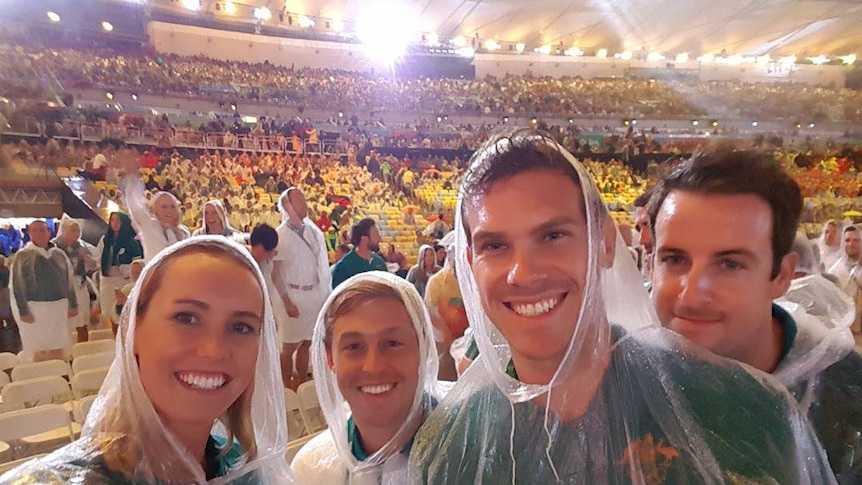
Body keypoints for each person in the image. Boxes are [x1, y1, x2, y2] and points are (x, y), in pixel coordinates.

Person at [409, 130, 834, 483]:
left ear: (606, 243)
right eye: (495, 246)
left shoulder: (743, 411)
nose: (522, 273)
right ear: (470, 265)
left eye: (553, 236)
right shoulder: (450, 445)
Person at [0, 237, 294, 483]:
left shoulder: (246, 471)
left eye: (241, 326)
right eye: (187, 318)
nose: (213, 350)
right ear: (133, 332)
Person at [648, 149, 862, 482]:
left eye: (730, 264)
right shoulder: (621, 377)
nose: (691, 294)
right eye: (675, 259)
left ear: (781, 276)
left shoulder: (847, 397)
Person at [291, 272, 439, 483]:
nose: (373, 367)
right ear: (330, 358)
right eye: (354, 347)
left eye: (392, 343)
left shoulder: (472, 448)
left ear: (423, 347)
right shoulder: (311, 471)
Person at [271, 188, 331, 389]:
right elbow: (275, 272)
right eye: (299, 201)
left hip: (313, 294)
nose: (305, 204)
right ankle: (285, 388)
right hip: (292, 296)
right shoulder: (280, 235)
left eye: (304, 199)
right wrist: (287, 301)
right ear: (288, 206)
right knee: (288, 346)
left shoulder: (312, 231)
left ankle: (301, 384)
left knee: (307, 342)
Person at [8, 220, 78, 362]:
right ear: (30, 233)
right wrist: (23, 311)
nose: (39, 233)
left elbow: (69, 280)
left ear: (49, 232)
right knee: (38, 350)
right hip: (35, 309)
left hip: (59, 308)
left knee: (59, 348)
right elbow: (17, 285)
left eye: (42, 230)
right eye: (35, 230)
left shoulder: (59, 254)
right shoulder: (23, 256)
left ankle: (61, 377)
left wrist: (73, 304)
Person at [120, 158, 190, 261]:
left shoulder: (184, 231)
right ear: (154, 209)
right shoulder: (149, 226)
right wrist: (132, 177)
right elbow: (133, 203)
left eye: (172, 206)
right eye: (164, 207)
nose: (168, 210)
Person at [424, 233, 468, 381]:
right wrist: (445, 333)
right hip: (443, 342)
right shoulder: (437, 282)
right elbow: (431, 310)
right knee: (446, 377)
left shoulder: (470, 281)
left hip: (465, 342)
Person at [53, 219, 98, 342]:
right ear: (64, 231)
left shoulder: (82, 246)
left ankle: (82, 348)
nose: (77, 234)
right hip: (62, 288)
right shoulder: (54, 246)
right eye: (73, 230)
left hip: (80, 285)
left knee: (82, 322)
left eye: (78, 231)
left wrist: (85, 257)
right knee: (64, 322)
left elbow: (94, 265)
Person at [96, 212, 144, 327]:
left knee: (122, 312)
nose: (115, 223)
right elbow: (98, 257)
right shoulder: (105, 240)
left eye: (118, 220)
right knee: (109, 313)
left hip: (123, 279)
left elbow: (138, 260)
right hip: (107, 280)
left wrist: (127, 269)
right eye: (112, 220)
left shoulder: (131, 241)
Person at [331, 218, 387, 289]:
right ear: (364, 239)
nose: (380, 239)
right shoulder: (344, 267)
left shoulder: (379, 262)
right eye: (376, 234)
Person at [828, 226, 862, 333]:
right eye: (847, 240)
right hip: (843, 330)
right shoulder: (835, 269)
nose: (851, 244)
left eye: (856, 240)